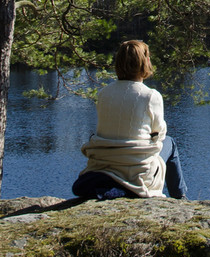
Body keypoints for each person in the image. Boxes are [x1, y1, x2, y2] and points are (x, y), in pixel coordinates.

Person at [71, 39, 187, 201]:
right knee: (170, 143)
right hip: (137, 173)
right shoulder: (150, 96)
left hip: (104, 167)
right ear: (145, 62)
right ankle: (180, 199)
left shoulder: (103, 94)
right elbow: (159, 135)